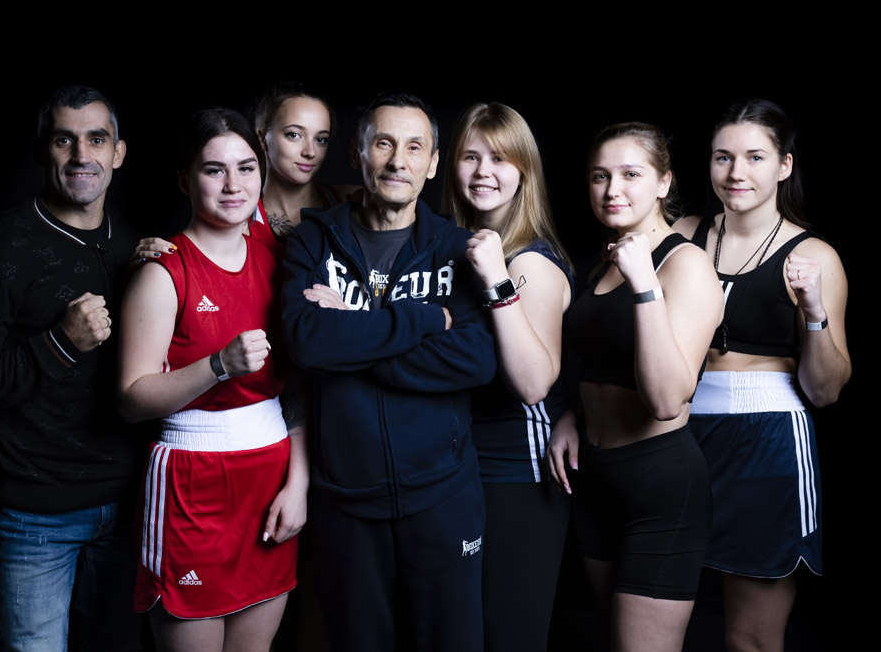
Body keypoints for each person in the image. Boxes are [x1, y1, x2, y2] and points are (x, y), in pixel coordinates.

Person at [280, 92, 496, 652]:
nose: (398, 161)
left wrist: (350, 333)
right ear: (358, 155)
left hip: (443, 495)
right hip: (345, 502)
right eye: (383, 144)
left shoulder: (458, 250)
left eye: (414, 147)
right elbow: (306, 342)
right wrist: (423, 320)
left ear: (433, 163)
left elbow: (474, 359)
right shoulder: (311, 240)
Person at [0, 85, 142, 650]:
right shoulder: (5, 245)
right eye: (64, 140)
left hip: (130, 508)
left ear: (118, 153)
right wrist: (59, 342)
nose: (82, 155)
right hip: (38, 519)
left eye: (96, 140)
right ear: (42, 151)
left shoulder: (132, 243)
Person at [117, 108, 308, 652]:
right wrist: (218, 365)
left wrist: (299, 484)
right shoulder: (164, 270)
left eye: (246, 168)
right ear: (185, 180)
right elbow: (131, 399)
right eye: (213, 169)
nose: (233, 185)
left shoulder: (283, 259)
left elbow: (299, 390)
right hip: (192, 487)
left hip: (271, 479)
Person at [673, 99, 850, 652]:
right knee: (647, 621)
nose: (736, 172)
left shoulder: (814, 254)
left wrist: (813, 309)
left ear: (784, 165)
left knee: (750, 637)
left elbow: (826, 390)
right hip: (674, 433)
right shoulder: (683, 233)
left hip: (766, 440)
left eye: (754, 157)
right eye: (723, 157)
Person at [549, 122, 723, 652]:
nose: (612, 190)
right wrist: (572, 415)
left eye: (630, 174)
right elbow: (600, 361)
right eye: (599, 176)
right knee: (607, 638)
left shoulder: (685, 263)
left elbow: (668, 399)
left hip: (658, 485)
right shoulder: (601, 263)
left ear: (664, 182)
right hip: (593, 481)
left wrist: (645, 284)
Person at [443, 102, 572, 652]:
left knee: (507, 636)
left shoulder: (528, 263)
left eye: (499, 158)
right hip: (454, 470)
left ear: (524, 171)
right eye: (470, 157)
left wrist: (498, 277)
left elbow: (533, 384)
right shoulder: (447, 246)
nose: (483, 171)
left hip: (517, 472)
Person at [249, 85, 359, 252]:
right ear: (263, 139)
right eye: (294, 135)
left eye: (320, 139)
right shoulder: (239, 215)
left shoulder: (352, 200)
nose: (310, 152)